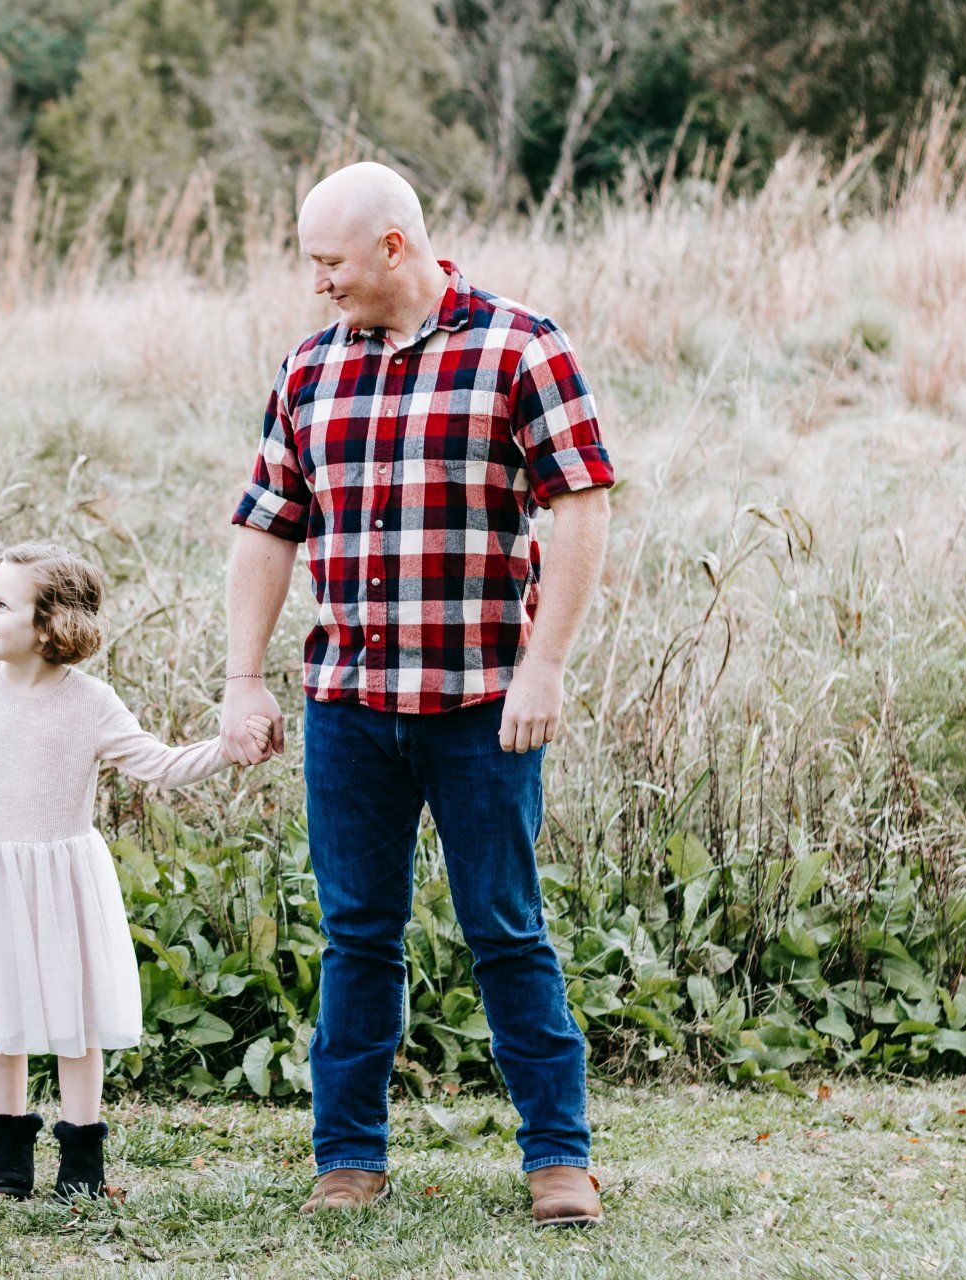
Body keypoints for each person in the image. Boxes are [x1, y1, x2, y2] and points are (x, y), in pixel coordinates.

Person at [219, 163, 614, 1225]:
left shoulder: (520, 345)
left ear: (395, 245)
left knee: (506, 925)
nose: (318, 284)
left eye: (330, 262)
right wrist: (243, 677)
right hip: (348, 702)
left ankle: (558, 1159)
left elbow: (581, 505)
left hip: (484, 701)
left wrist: (545, 663)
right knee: (358, 932)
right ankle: (347, 1156)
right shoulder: (310, 369)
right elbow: (266, 523)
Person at [0, 542, 271, 1199]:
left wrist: (225, 749)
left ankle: (82, 1156)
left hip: (65, 876)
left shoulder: (89, 702)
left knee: (74, 1016)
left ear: (49, 622)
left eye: (3, 604)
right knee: (1, 1013)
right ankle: (9, 1152)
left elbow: (159, 763)